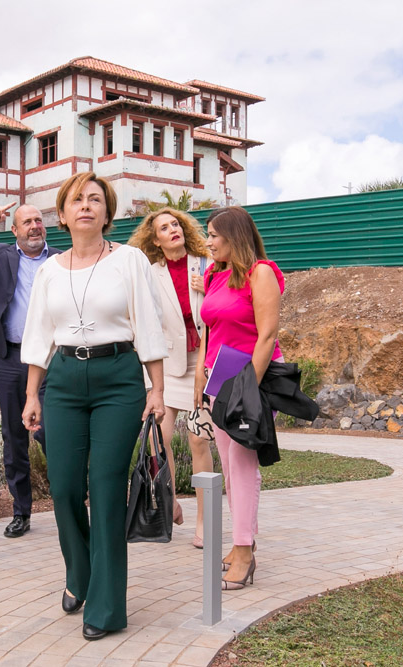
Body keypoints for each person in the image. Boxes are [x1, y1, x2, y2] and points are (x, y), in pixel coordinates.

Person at [21, 171, 167, 641]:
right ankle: (79, 574)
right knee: (63, 487)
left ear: (108, 211)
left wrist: (157, 389)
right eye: (76, 200)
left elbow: (148, 324)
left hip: (118, 381)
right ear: (61, 214)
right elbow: (39, 334)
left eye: (95, 200)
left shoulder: (130, 260)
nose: (86, 206)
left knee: (105, 489)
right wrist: (31, 394)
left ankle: (105, 606)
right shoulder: (48, 270)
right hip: (62, 381)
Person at [195, 206, 284, 591]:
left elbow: (267, 336)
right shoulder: (215, 275)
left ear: (235, 236)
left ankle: (244, 552)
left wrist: (248, 388)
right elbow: (209, 330)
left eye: (214, 235)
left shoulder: (260, 273)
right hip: (220, 379)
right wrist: (202, 378)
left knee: (242, 464)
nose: (208, 242)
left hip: (252, 379)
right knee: (230, 470)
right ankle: (241, 541)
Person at [0, 202, 57, 538]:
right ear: (14, 231)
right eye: (26, 222)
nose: (34, 226)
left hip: (50, 360)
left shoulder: (61, 259)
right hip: (9, 356)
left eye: (38, 220)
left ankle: (68, 502)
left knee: (52, 432)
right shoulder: (0, 256)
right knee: (14, 436)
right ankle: (22, 512)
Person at [127, 207, 215, 549]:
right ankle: (171, 501)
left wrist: (206, 288)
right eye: (164, 227)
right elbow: (144, 318)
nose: (173, 230)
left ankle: (204, 523)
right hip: (167, 364)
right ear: (156, 239)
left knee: (198, 440)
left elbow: (219, 307)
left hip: (203, 361)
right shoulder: (151, 273)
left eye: (175, 224)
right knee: (158, 441)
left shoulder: (205, 263)